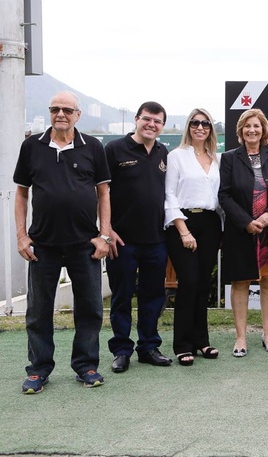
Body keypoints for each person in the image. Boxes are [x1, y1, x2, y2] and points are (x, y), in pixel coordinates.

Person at [15, 91, 111, 393]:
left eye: (67, 110)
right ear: (49, 111)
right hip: (43, 244)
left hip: (85, 243)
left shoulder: (93, 147)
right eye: (55, 109)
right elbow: (21, 193)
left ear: (78, 115)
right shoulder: (32, 146)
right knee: (39, 310)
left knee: (91, 308)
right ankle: (39, 370)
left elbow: (104, 194)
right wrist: (21, 235)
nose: (61, 114)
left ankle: (86, 366)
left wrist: (104, 236)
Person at [219, 109, 268, 357]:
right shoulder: (230, 158)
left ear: (264, 130)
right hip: (241, 231)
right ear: (240, 131)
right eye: (247, 126)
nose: (252, 130)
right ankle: (241, 337)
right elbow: (224, 194)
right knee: (240, 282)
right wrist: (246, 222)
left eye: (256, 126)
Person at [105, 101, 172, 373]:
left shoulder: (162, 152)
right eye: (147, 119)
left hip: (156, 240)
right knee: (121, 297)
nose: (151, 125)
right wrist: (106, 230)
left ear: (162, 125)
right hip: (122, 241)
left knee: (152, 297)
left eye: (157, 121)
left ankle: (148, 347)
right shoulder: (114, 150)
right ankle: (121, 350)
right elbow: (101, 192)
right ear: (136, 119)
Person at [164, 109, 223, 366]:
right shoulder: (176, 156)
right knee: (188, 282)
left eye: (206, 123)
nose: (200, 127)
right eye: (195, 123)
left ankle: (202, 341)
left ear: (211, 128)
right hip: (183, 222)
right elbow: (169, 195)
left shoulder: (217, 158)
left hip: (211, 223)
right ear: (188, 127)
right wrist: (183, 230)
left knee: (201, 285)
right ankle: (182, 345)